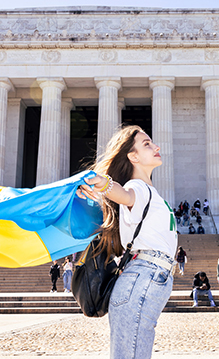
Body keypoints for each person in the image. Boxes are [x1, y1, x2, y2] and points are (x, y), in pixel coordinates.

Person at [76, 125, 177, 358]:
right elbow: (125, 195)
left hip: (147, 278)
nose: (156, 146)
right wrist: (104, 185)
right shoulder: (137, 187)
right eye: (147, 144)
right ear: (133, 156)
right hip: (142, 277)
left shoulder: (150, 190)